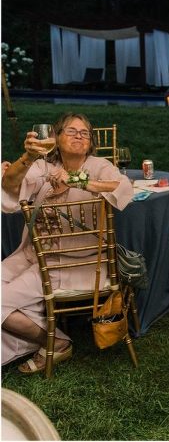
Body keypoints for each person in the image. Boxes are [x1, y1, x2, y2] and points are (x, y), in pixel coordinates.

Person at [1, 113, 132, 374]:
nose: (79, 136)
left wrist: (76, 180)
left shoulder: (99, 165)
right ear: (56, 138)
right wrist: (28, 157)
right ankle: (32, 335)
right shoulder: (43, 166)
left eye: (84, 133)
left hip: (79, 264)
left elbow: (122, 187)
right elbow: (9, 186)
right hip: (35, 255)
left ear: (91, 141)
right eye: (71, 131)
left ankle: (55, 342)